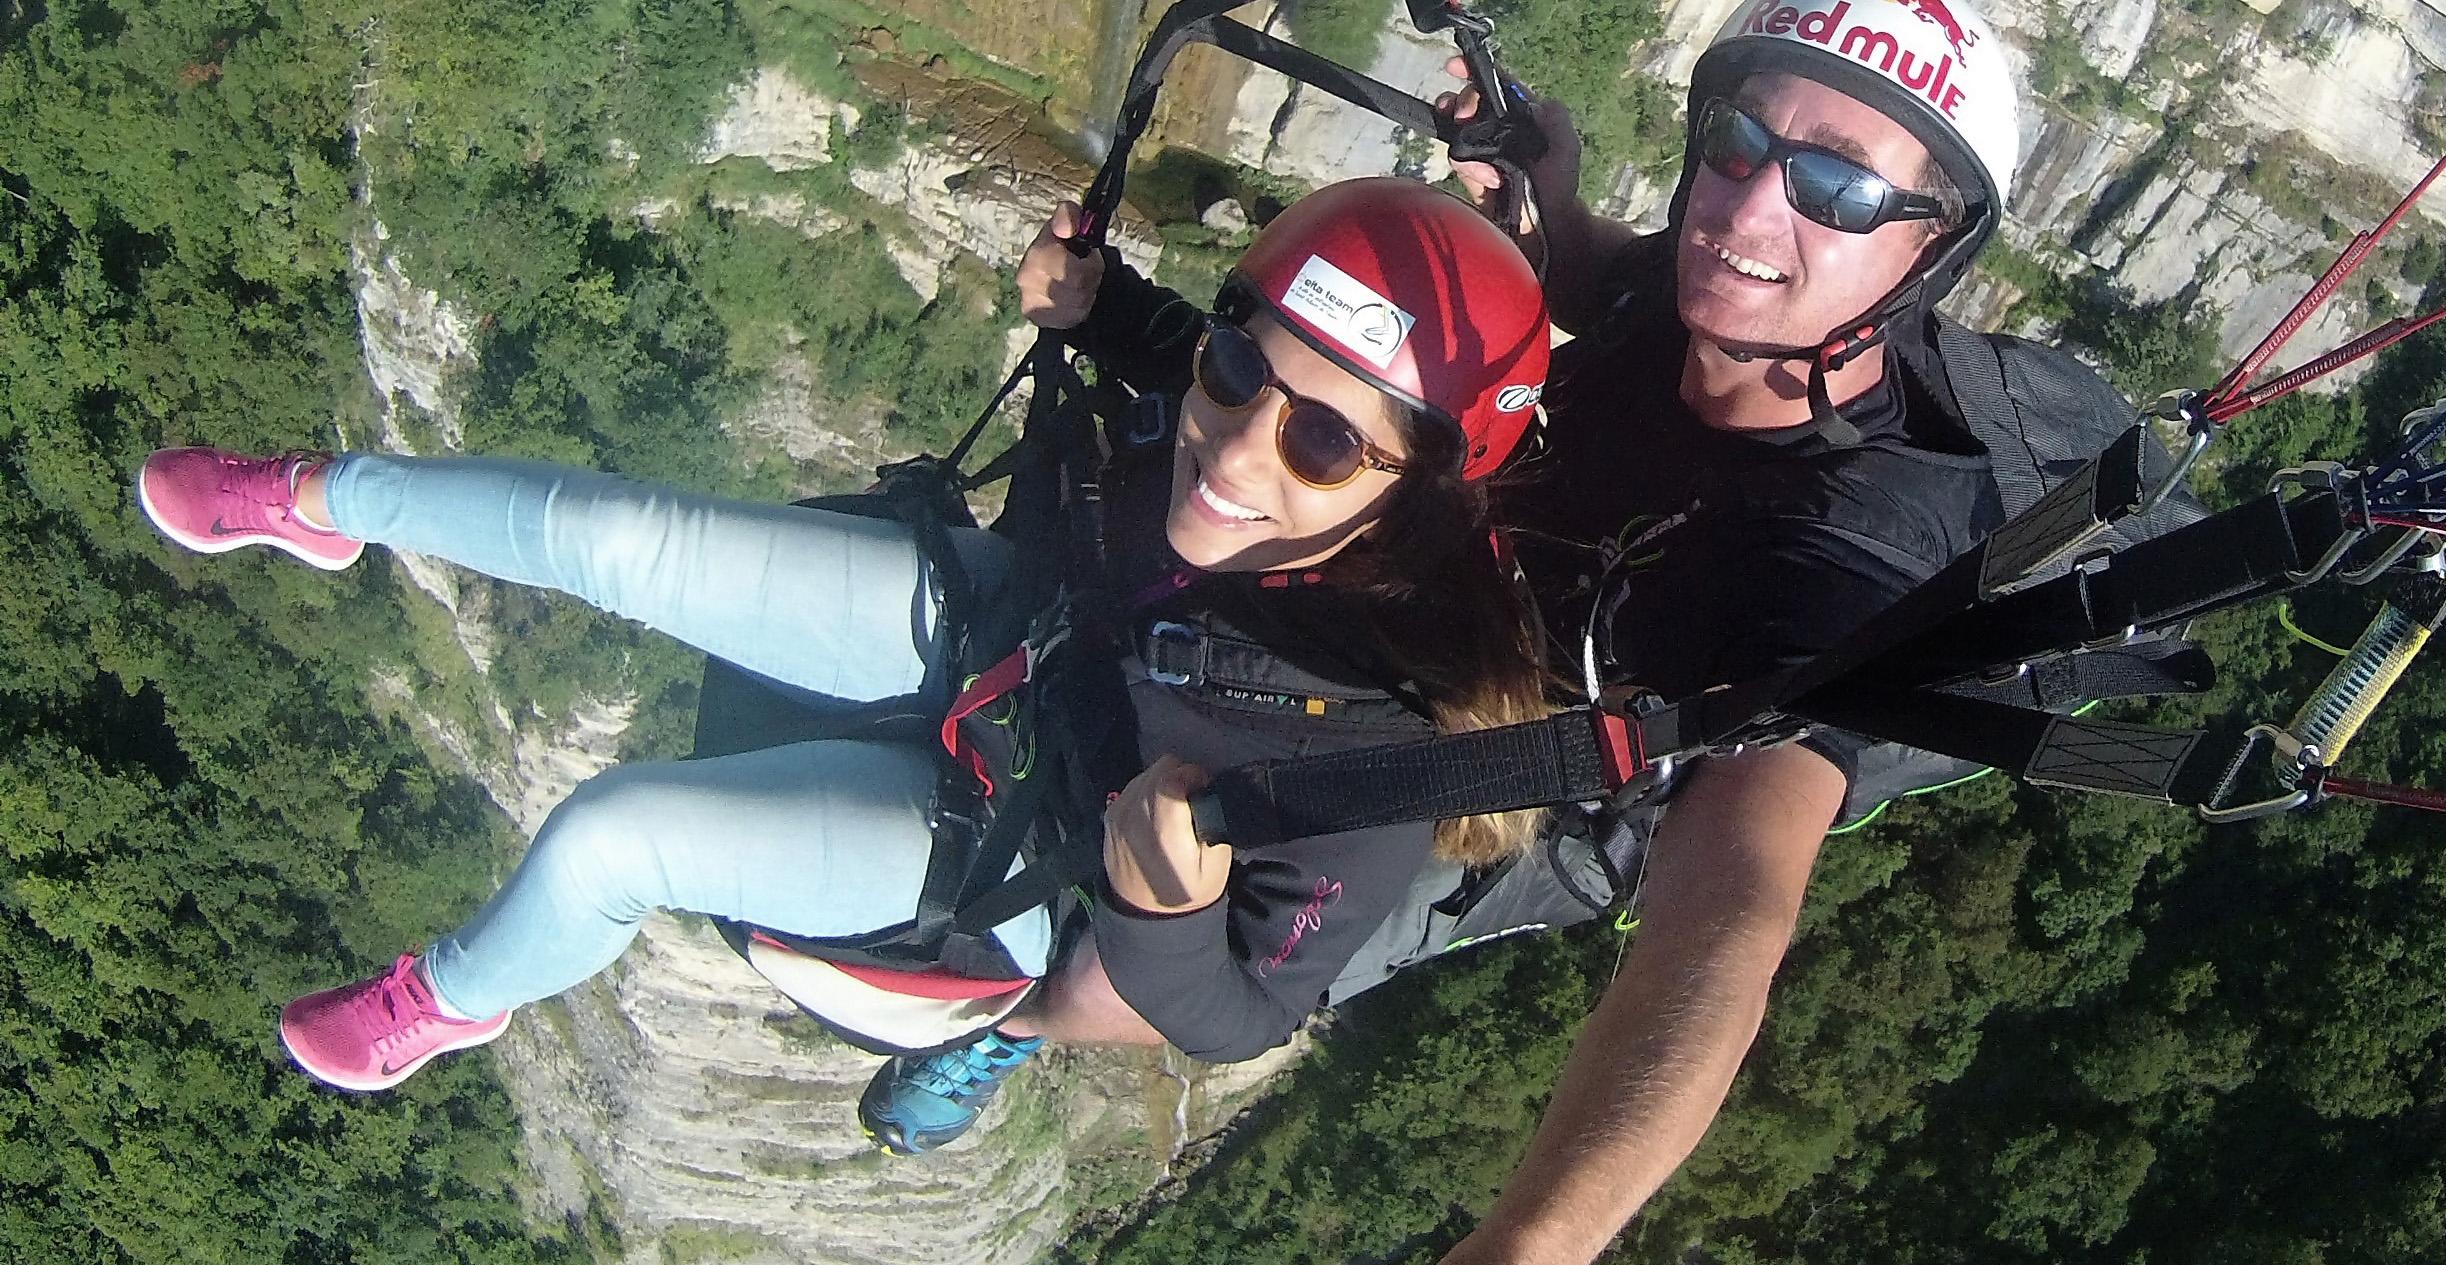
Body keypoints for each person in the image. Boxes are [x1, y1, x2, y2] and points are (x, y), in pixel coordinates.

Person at [880, 0, 2045, 1265]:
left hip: (1514, 772)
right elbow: (1501, 346)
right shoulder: (1687, 286)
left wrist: (1528, 1255)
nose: (1749, 208)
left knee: (1133, 968)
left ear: (1930, 246)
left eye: (1834, 186)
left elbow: (1727, 919)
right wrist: (1547, 192)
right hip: (1426, 587)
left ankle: (1023, 1018)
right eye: (1736, 141)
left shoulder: (1852, 556)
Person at [135, 178, 1555, 1153]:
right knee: (620, 536)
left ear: (1418, 493)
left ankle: (446, 1000)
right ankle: (323, 502)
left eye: (1321, 446)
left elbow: (1246, 1012)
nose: (1240, 447)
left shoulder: (1373, 748)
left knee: (613, 839)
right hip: (1010, 630)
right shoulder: (1238, 394)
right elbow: (1210, 352)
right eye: (1242, 381)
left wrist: (1167, 912)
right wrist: (1107, 308)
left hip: (1019, 854)